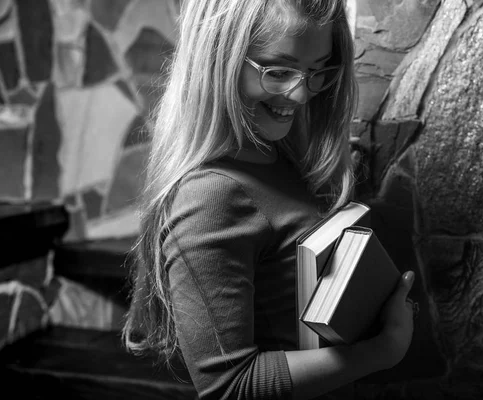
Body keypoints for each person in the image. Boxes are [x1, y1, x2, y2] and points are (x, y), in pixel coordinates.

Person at [122, 0, 416, 399]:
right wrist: (382, 350)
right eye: (278, 71)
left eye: (317, 71)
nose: (299, 94)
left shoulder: (279, 153)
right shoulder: (210, 197)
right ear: (217, 60)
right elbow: (230, 386)